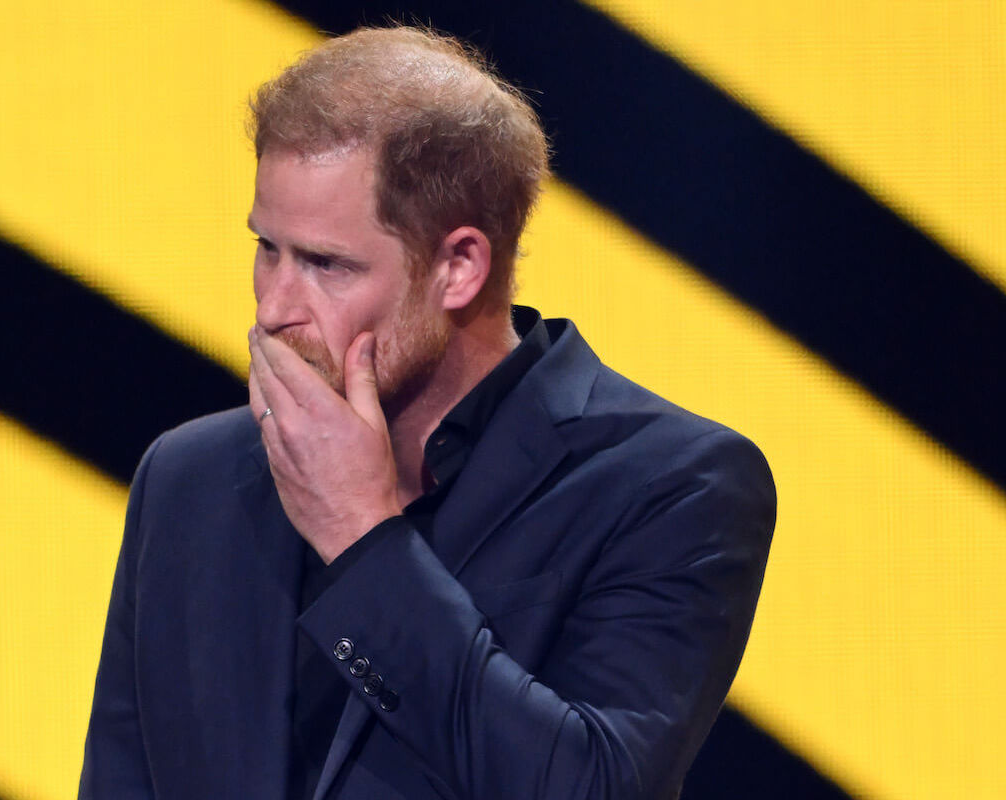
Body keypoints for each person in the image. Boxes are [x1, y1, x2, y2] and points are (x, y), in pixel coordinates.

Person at [79, 26, 775, 800]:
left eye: (324, 264)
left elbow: (590, 787)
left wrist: (364, 537)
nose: (274, 308)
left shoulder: (672, 487)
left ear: (459, 267)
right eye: (266, 249)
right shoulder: (189, 479)